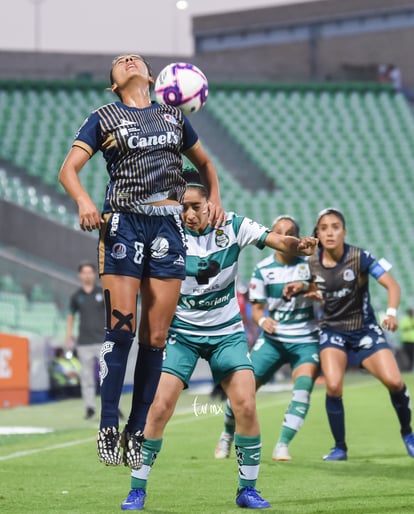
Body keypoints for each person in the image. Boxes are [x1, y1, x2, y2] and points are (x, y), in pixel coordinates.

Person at [58, 54, 225, 468]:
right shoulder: (103, 117)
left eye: (135, 58)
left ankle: (137, 429)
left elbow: (204, 164)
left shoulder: (173, 116)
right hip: (123, 225)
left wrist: (216, 198)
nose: (128, 59)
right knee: (120, 331)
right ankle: (107, 424)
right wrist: (83, 202)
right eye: (119, 61)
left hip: (168, 227)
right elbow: (69, 170)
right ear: (113, 84)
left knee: (155, 338)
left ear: (151, 76)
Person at [120, 171, 318, 510]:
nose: (190, 214)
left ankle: (247, 490)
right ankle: (137, 489)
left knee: (246, 404)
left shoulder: (233, 226)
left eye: (196, 206)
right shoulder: (164, 235)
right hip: (183, 336)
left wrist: (297, 245)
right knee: (160, 408)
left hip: (226, 333)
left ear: (210, 203)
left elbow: (275, 240)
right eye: (183, 208)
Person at [307, 207, 414, 461]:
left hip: (365, 330)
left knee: (395, 383)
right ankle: (340, 447)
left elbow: (392, 285)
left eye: (335, 227)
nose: (330, 232)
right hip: (333, 331)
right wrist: (309, 292)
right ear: (318, 234)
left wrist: (390, 313)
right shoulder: (311, 262)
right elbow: (312, 287)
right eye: (324, 228)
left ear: (344, 231)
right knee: (333, 385)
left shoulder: (359, 257)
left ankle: (408, 433)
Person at [215, 215, 320, 462]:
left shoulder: (309, 265)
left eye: (289, 232)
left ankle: (282, 445)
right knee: (243, 392)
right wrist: (263, 321)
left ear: (296, 236)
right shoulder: (263, 269)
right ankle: (227, 434)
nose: (284, 236)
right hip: (273, 339)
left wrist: (313, 268)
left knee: (303, 389)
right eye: (279, 232)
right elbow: (258, 309)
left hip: (306, 339)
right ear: (272, 235)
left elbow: (326, 287)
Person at [65, 261, 105, 419]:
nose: (87, 275)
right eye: (84, 272)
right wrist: (68, 338)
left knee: (109, 376)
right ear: (80, 275)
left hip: (103, 340)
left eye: (90, 272)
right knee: (87, 378)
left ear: (95, 274)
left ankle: (114, 407)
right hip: (84, 342)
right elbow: (70, 317)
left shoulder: (102, 293)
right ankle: (90, 407)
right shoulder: (76, 296)